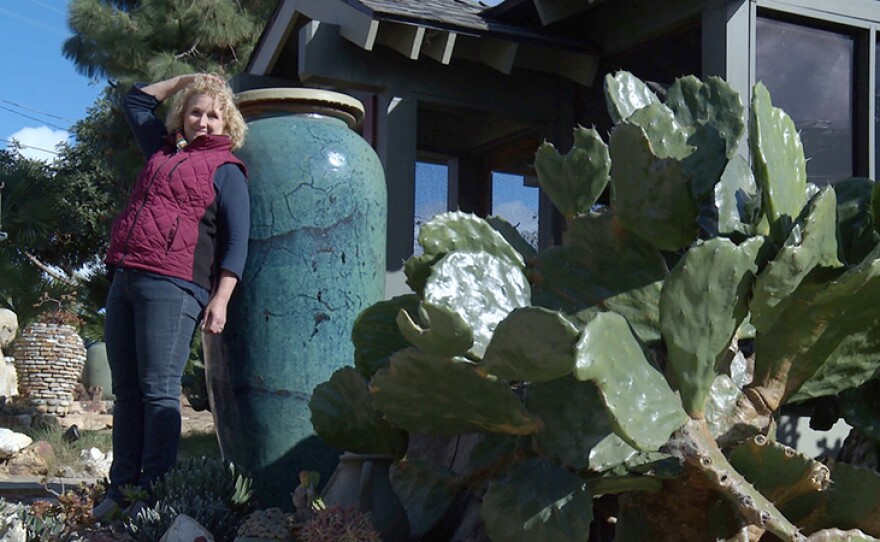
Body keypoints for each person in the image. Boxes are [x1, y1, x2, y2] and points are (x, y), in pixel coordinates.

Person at [93, 73, 250, 519]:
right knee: (125, 393)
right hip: (126, 277)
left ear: (227, 125)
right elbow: (136, 103)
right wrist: (186, 79)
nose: (203, 121)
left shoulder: (227, 170)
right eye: (195, 112)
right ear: (182, 117)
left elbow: (237, 240)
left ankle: (153, 497)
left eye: (214, 115)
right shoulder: (163, 153)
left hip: (176, 284)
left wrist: (220, 299)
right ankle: (121, 490)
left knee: (159, 391)